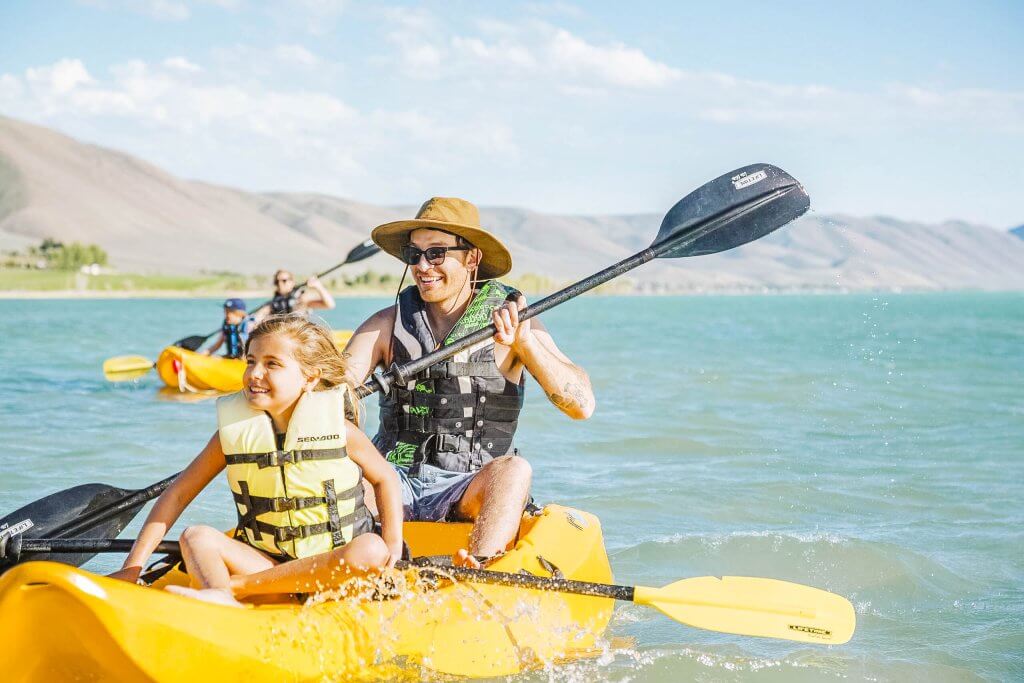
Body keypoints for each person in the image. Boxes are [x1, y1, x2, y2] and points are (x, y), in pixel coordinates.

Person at [344, 197, 595, 568]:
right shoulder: (386, 324)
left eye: (436, 253)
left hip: (469, 485)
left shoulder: (516, 322)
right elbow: (338, 383)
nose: (422, 266)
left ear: (472, 259)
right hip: (388, 478)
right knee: (336, 463)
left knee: (515, 470)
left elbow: (582, 406)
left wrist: (524, 342)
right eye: (414, 255)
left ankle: (479, 572)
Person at [111, 315, 403, 606]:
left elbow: (385, 478)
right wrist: (132, 567)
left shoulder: (340, 430)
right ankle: (221, 594)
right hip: (268, 568)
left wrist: (392, 547)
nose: (254, 373)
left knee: (370, 549)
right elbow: (177, 495)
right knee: (196, 536)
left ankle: (233, 588)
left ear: (310, 377)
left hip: (333, 576)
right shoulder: (233, 435)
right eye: (251, 361)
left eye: (272, 364)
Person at [254, 270, 336, 320]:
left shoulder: (302, 298)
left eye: (284, 280)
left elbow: (330, 305)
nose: (280, 284)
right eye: (277, 281)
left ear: (292, 282)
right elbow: (257, 317)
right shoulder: (273, 304)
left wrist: (318, 286)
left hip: (300, 337)